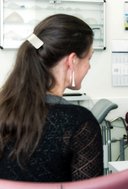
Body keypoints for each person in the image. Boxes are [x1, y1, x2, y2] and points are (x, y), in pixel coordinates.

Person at [0, 14, 103, 182]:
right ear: (72, 60)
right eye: (88, 58)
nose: (89, 66)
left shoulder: (3, 108)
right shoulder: (80, 122)